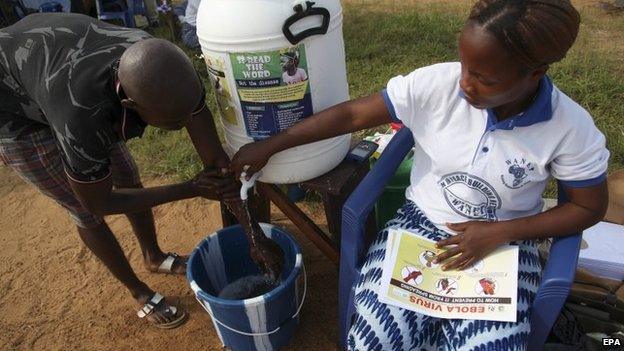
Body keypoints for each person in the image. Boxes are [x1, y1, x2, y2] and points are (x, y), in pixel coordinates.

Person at [230, 0, 609, 349]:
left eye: (486, 80)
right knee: (373, 340)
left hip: (506, 242)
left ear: (536, 74)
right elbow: (351, 116)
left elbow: (588, 208)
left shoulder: (569, 128)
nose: (465, 84)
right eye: (464, 66)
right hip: (420, 225)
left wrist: (501, 231)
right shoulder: (438, 86)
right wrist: (272, 144)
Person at [0, 13, 259, 329]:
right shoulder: (81, 116)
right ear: (130, 104)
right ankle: (139, 292)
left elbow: (215, 161)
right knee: (83, 210)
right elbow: (99, 202)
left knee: (127, 175)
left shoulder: (165, 68)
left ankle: (153, 256)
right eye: (172, 121)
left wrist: (252, 236)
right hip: (13, 111)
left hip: (52, 63)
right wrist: (191, 188)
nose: (182, 125)